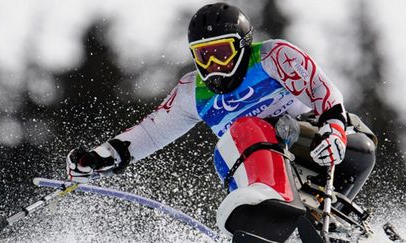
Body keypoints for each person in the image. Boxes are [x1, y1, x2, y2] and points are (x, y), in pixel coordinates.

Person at [66, 2, 376, 242]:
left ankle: (281, 204)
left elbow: (324, 91)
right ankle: (291, 216)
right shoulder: (192, 92)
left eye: (221, 54)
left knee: (251, 126)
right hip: (266, 165)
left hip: (327, 147)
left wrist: (332, 128)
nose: (214, 67)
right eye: (204, 57)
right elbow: (151, 131)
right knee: (237, 136)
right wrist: (100, 156)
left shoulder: (273, 57)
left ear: (242, 46)